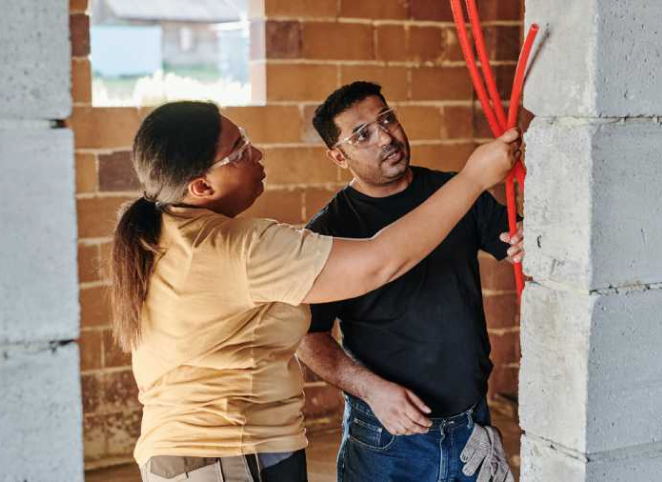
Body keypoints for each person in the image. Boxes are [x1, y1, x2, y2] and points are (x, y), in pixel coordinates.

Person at [109, 100, 519, 482]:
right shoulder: (239, 247)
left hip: (216, 452)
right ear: (200, 187)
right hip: (227, 455)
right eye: (240, 151)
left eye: (247, 138)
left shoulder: (167, 232)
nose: (258, 154)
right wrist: (474, 176)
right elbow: (380, 261)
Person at [297, 81, 524, 482]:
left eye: (387, 119)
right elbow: (307, 338)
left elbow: (517, 244)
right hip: (387, 437)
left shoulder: (453, 193)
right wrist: (370, 390)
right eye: (362, 134)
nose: (385, 136)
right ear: (337, 155)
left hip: (471, 420)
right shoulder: (329, 230)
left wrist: (528, 239)